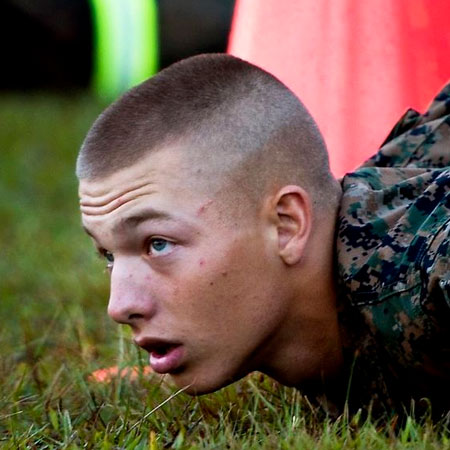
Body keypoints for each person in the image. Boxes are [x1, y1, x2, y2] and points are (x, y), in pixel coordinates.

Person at [77, 53, 450, 416]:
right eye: (108, 255)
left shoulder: (427, 263)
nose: (120, 307)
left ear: (287, 225)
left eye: (158, 244)